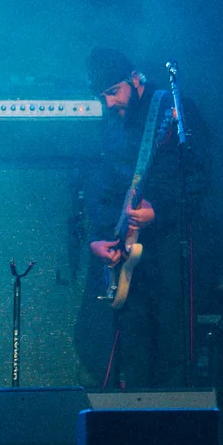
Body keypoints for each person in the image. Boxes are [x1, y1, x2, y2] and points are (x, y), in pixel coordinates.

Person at [80, 47, 207, 390]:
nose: (108, 104)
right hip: (123, 252)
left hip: (168, 244)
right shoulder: (109, 123)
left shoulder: (171, 109)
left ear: (134, 80)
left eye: (112, 92)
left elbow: (198, 178)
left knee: (171, 340)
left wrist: (159, 211)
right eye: (101, 96)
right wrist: (97, 236)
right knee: (132, 347)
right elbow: (97, 184)